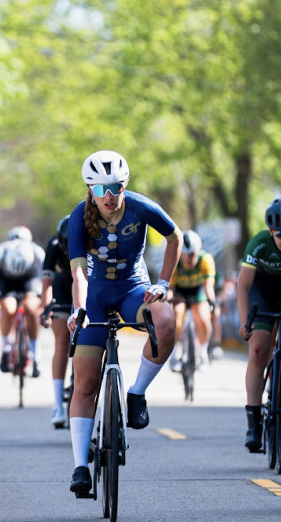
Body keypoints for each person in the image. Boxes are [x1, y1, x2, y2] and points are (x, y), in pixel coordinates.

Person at [67, 150, 181, 498]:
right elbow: (79, 274)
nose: (109, 195)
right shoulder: (78, 217)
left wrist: (162, 283)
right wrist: (79, 310)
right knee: (85, 384)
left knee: (165, 319)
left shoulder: (140, 206)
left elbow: (175, 237)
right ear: (90, 189)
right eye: (100, 188)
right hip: (96, 295)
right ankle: (80, 467)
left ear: (124, 184)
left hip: (134, 289)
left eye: (115, 186)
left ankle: (136, 392)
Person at [237, 196, 281, 453]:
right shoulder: (258, 244)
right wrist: (246, 320)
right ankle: (254, 423)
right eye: (280, 235)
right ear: (271, 231)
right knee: (258, 350)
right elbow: (244, 285)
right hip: (263, 294)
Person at [0, 226, 46, 377]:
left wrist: (45, 305)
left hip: (30, 280)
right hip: (7, 281)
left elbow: (46, 282)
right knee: (8, 308)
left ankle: (35, 354)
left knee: (31, 309)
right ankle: (6, 348)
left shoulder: (38, 253)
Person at [40, 215, 73, 428]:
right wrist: (46, 309)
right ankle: (58, 405)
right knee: (62, 342)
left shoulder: (94, 238)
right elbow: (47, 282)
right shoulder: (53, 244)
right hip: (62, 289)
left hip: (89, 287)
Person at [169, 229, 217, 372]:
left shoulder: (205, 260)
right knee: (176, 318)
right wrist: (168, 300)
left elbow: (209, 286)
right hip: (180, 292)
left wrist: (212, 301)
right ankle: (174, 355)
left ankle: (202, 351)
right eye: (186, 255)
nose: (189, 259)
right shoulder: (175, 261)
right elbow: (170, 287)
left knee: (203, 318)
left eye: (193, 255)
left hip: (198, 291)